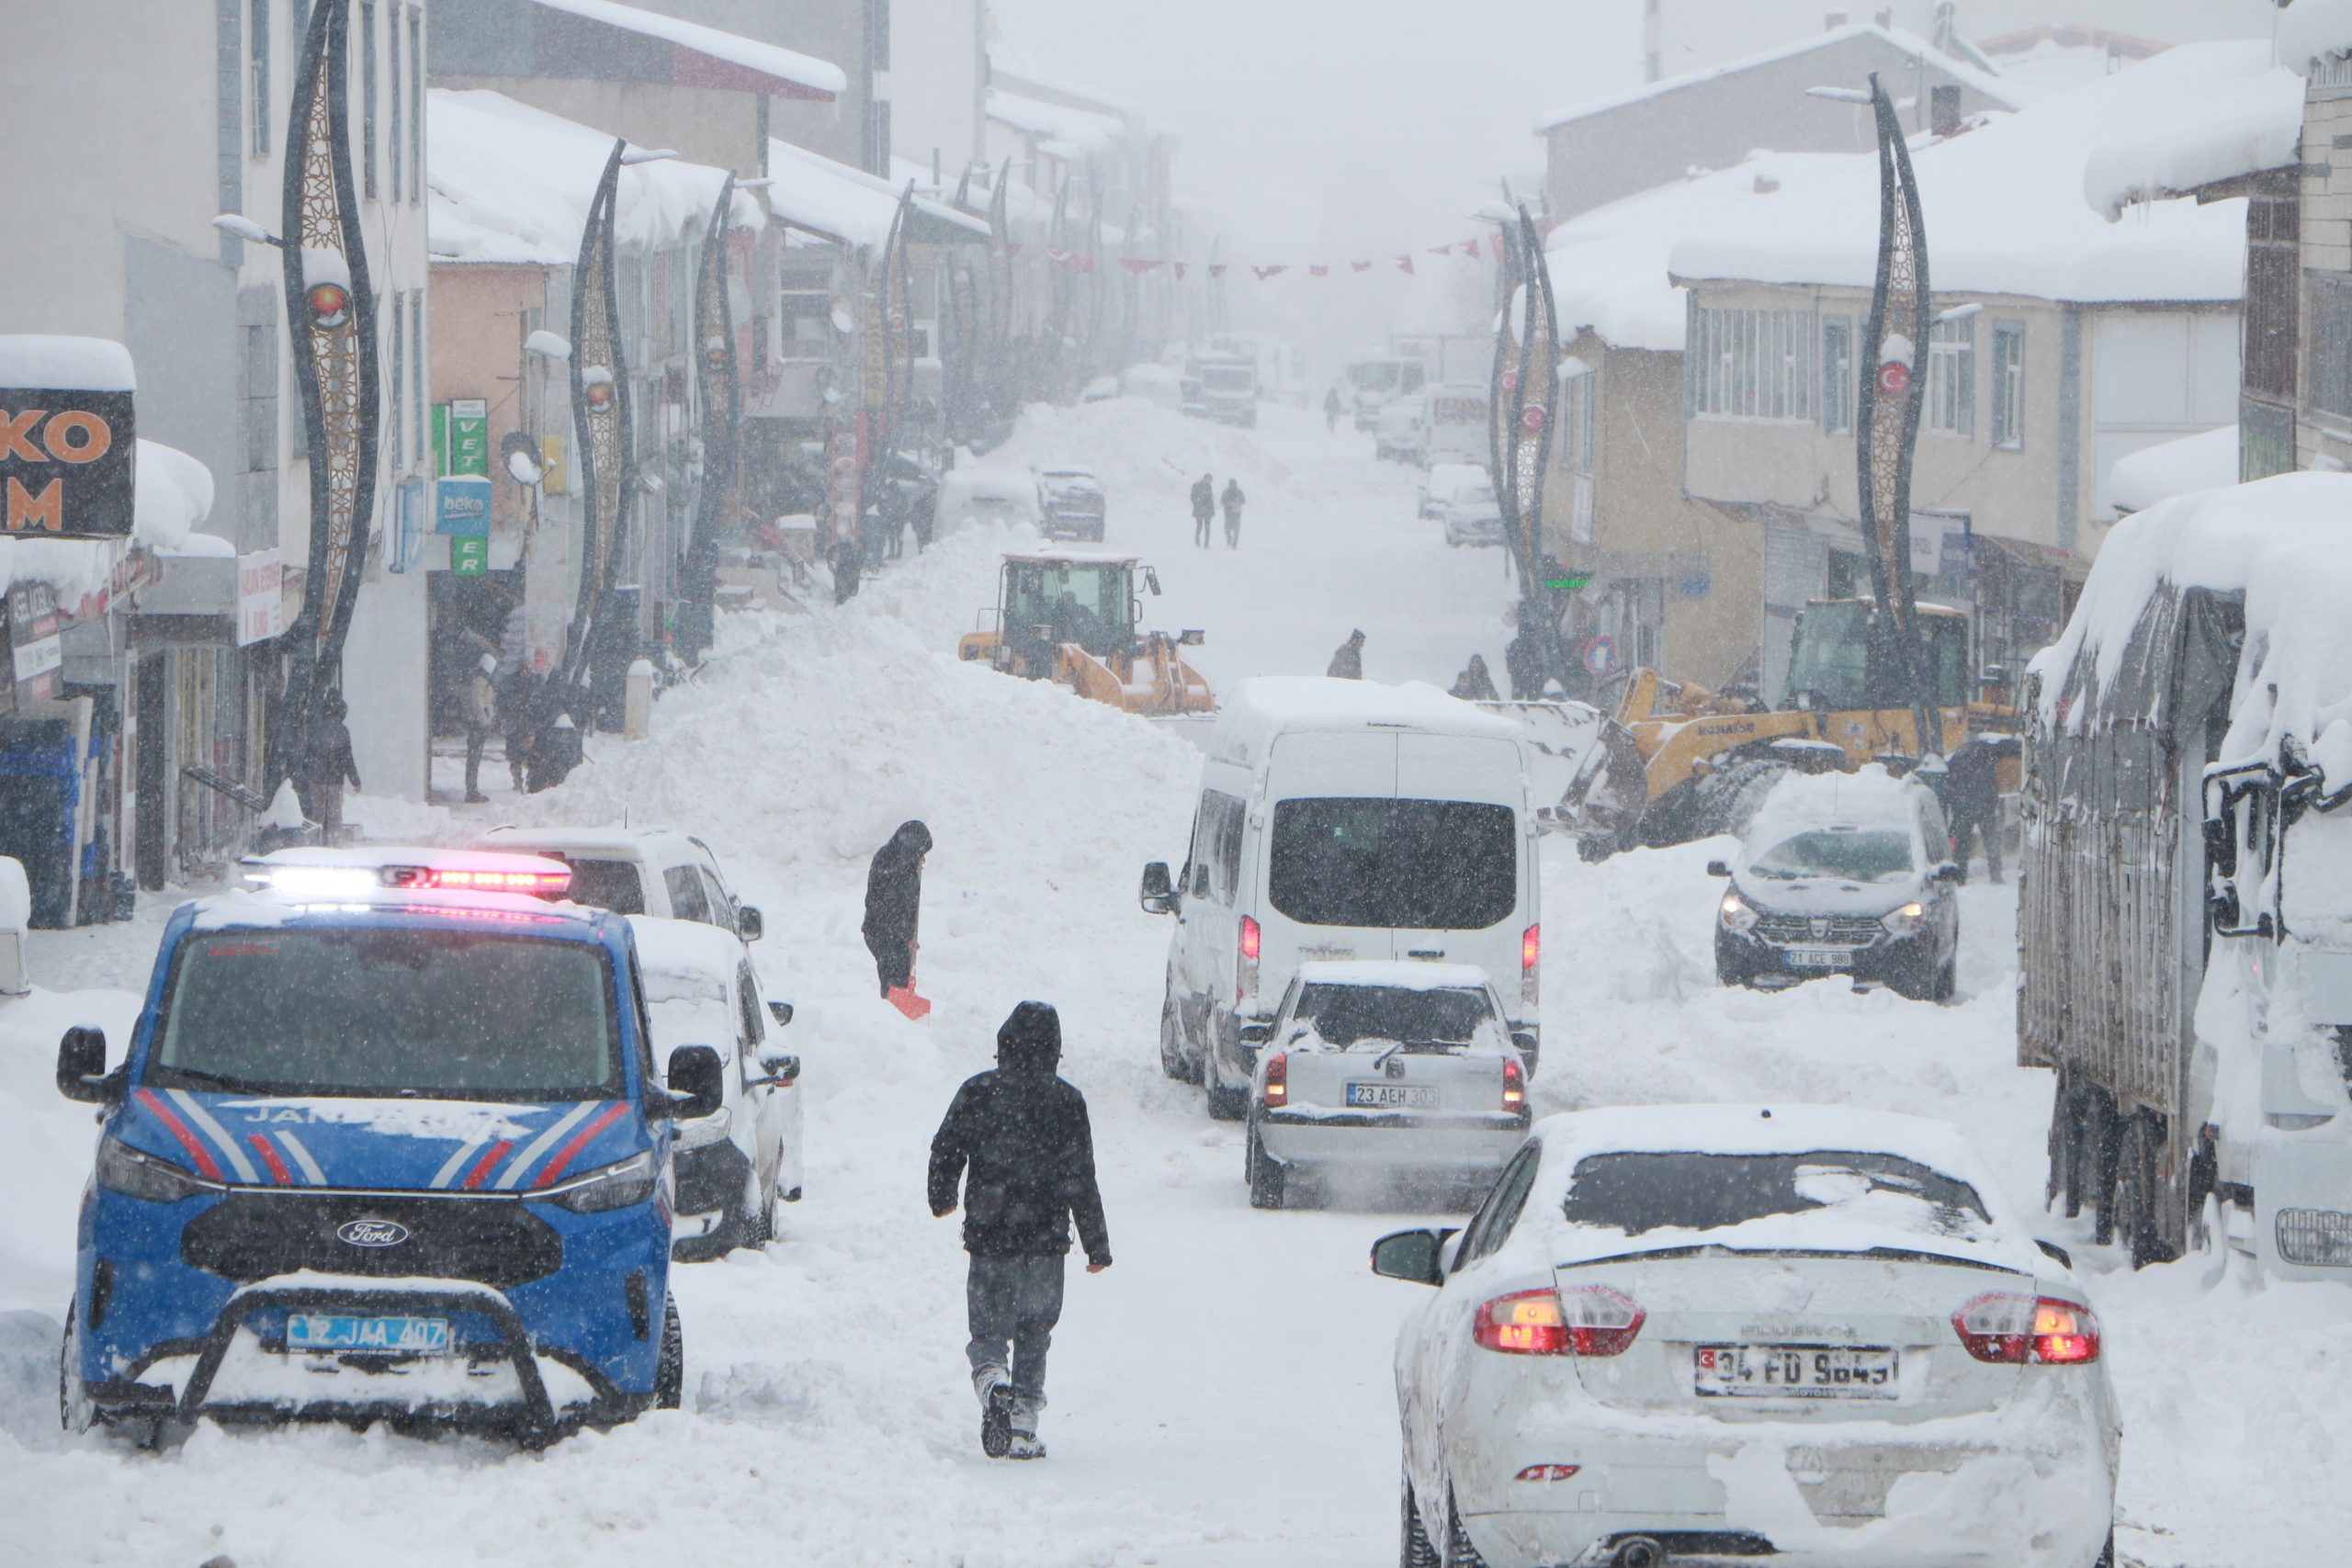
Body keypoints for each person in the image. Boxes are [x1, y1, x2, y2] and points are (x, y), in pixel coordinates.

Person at [927, 1001, 1112, 1461]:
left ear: (1003, 1044)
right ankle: (1024, 1424)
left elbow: (946, 1147)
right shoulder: (1067, 1101)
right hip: (1045, 1240)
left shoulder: (979, 1092)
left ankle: (993, 1383)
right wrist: (1096, 1243)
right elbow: (1081, 1177)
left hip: (990, 1234)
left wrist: (942, 1195)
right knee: (1034, 1330)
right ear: (1054, 1050)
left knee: (988, 1330)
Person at [863, 819, 933, 999]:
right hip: (885, 933)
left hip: (886, 932)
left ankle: (893, 1013)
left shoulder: (896, 859)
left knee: (895, 985)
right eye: (921, 852)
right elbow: (896, 905)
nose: (922, 858)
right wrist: (906, 934)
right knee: (895, 988)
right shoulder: (897, 866)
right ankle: (891, 1017)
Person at [298, 689, 361, 843]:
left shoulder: (315, 728)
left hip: (316, 779)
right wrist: (355, 780)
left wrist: (304, 773)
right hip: (335, 780)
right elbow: (347, 759)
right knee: (334, 817)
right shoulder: (342, 731)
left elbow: (308, 753)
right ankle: (332, 847)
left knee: (316, 816)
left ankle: (314, 845)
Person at [1944, 735, 2005, 885]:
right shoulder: (1987, 755)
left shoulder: (1956, 760)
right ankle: (1996, 875)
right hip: (1985, 807)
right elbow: (1991, 781)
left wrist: (1957, 805)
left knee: (1963, 845)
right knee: (1991, 842)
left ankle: (1960, 876)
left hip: (1965, 809)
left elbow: (1951, 785)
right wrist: (1991, 801)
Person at [462, 654, 500, 804]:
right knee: (474, 759)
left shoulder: (481, 680)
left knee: (474, 759)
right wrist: (485, 721)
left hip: (477, 724)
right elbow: (478, 704)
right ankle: (472, 791)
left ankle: (472, 790)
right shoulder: (480, 681)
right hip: (478, 725)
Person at [1189, 473, 1215, 549]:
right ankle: (1198, 541)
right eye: (1209, 479)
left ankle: (1205, 543)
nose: (1210, 481)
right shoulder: (1197, 485)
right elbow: (1192, 496)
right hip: (1200, 510)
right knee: (1201, 526)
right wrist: (1198, 504)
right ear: (1205, 478)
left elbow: (1210, 500)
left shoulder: (1209, 487)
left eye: (1211, 480)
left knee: (1206, 527)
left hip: (1206, 510)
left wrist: (1212, 510)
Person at [1220, 478, 1246, 548]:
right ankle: (1229, 539)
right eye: (1231, 484)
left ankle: (1234, 543)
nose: (1232, 486)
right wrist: (1229, 504)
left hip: (1237, 514)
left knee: (1236, 530)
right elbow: (1222, 502)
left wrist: (1239, 501)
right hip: (1228, 514)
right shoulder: (1225, 492)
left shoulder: (1239, 492)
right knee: (1227, 530)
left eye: (1234, 484)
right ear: (1229, 484)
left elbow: (1244, 501)